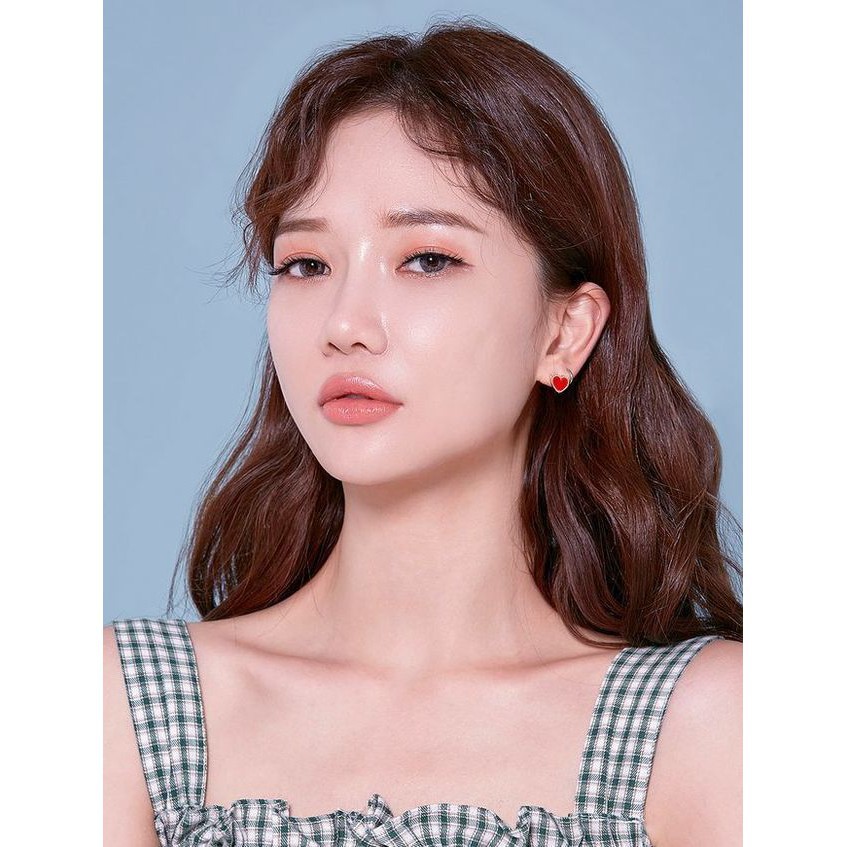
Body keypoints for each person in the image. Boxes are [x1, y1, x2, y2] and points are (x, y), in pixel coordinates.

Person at [104, 18, 742, 847]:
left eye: (427, 259)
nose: (344, 324)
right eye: (305, 264)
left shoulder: (708, 725)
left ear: (564, 332)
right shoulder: (129, 709)